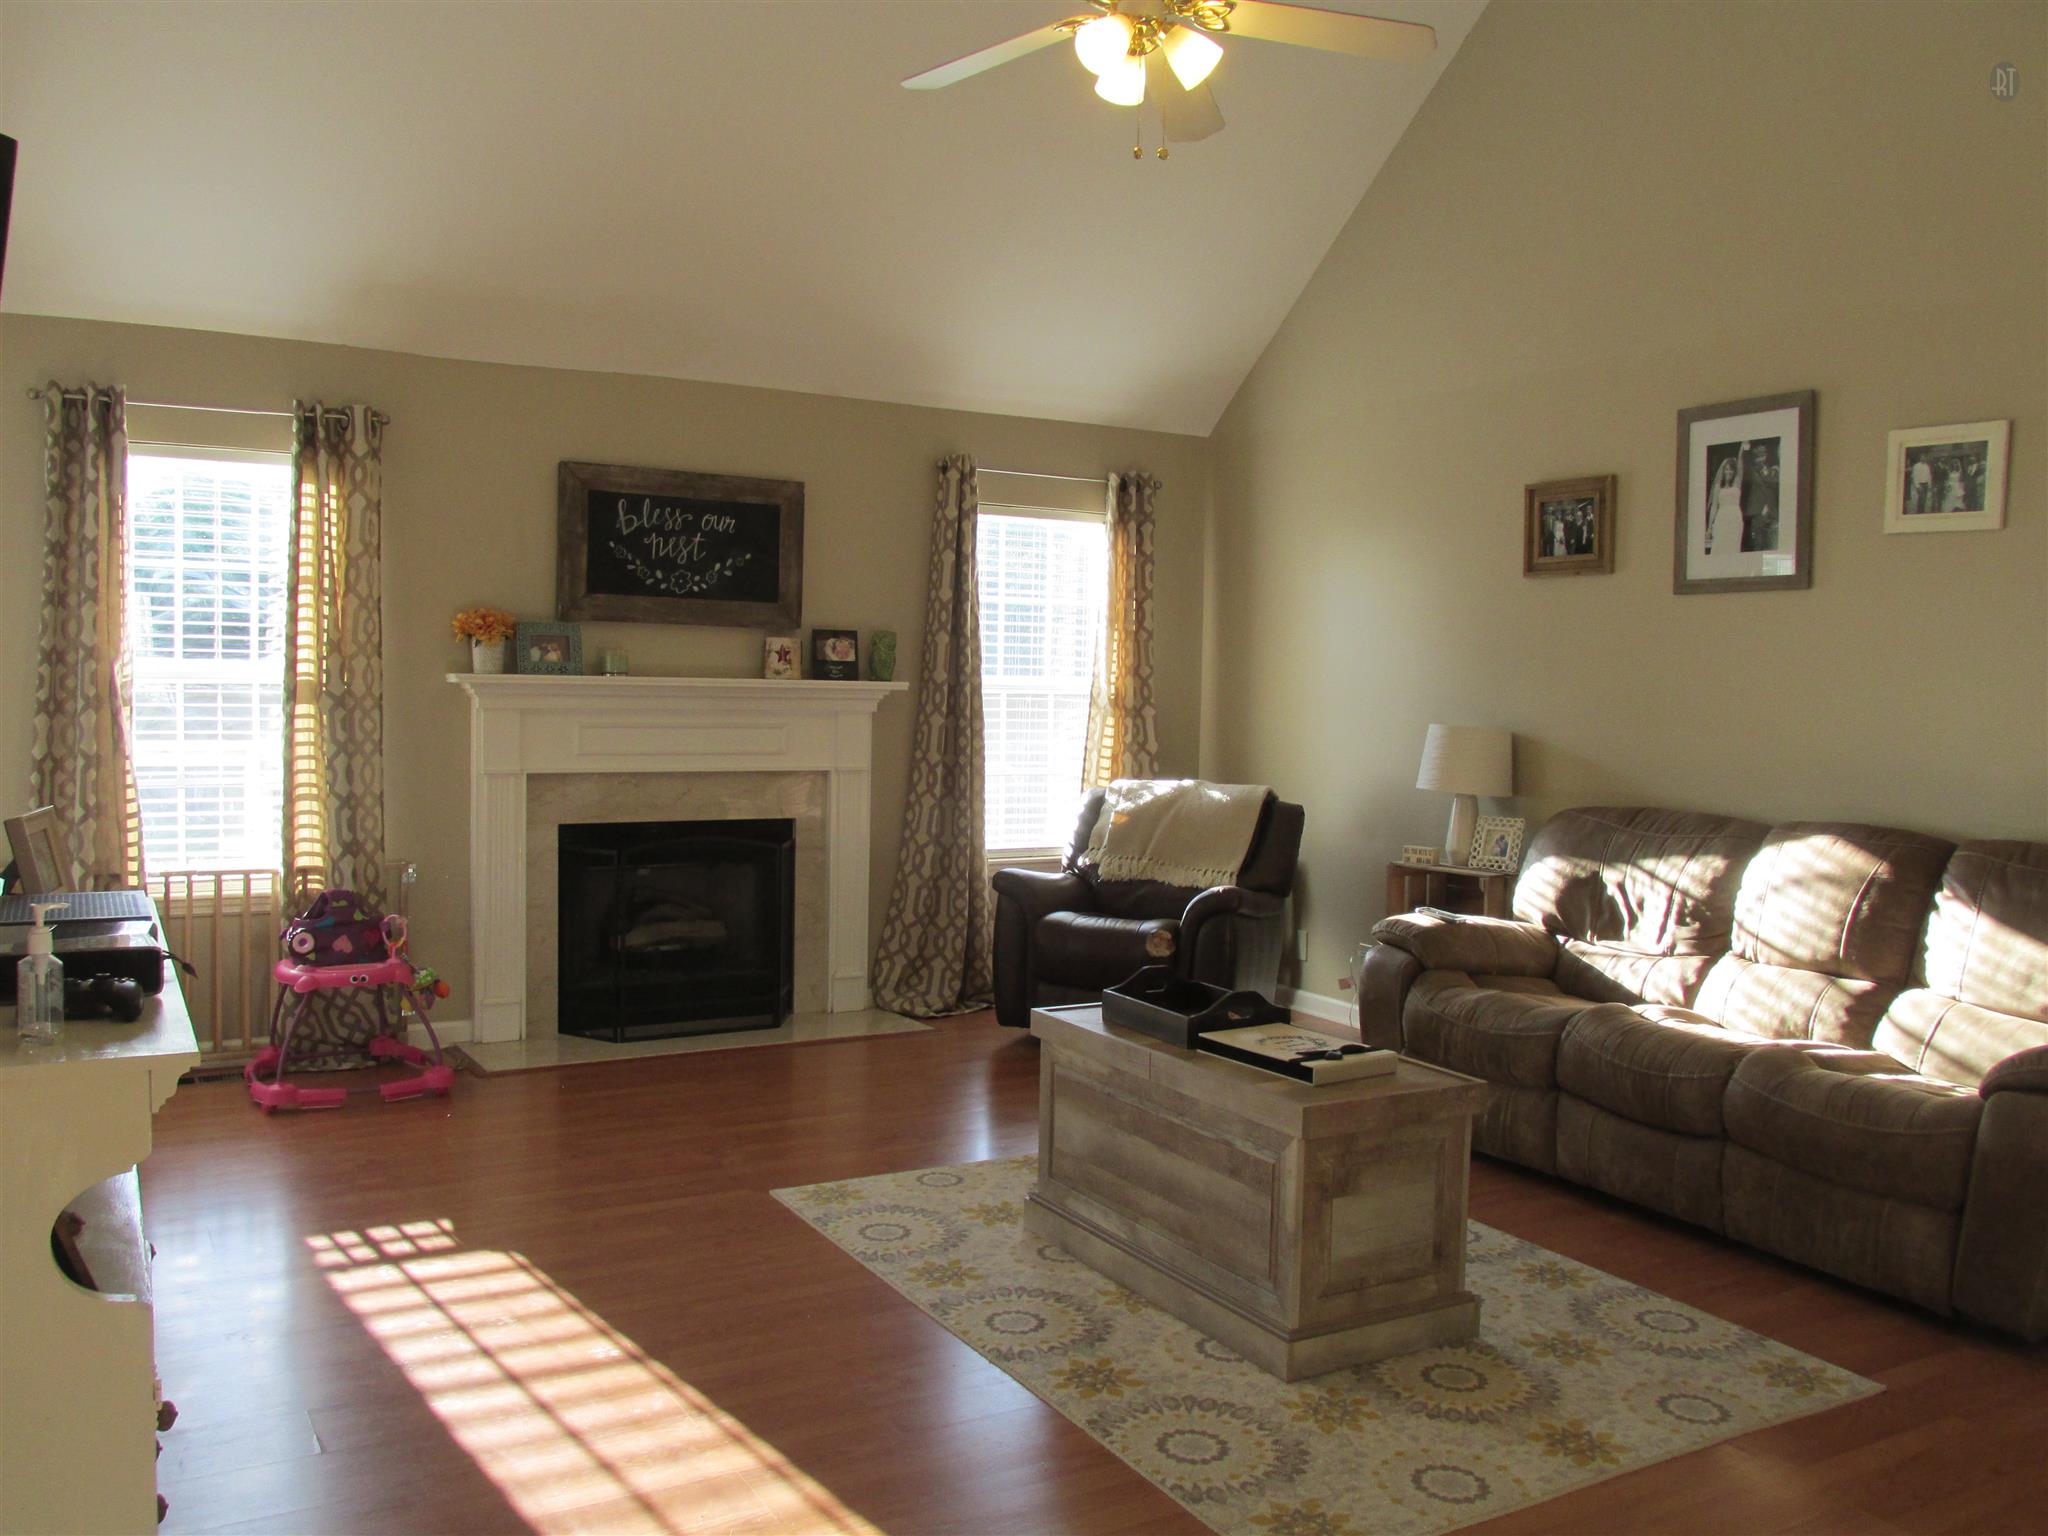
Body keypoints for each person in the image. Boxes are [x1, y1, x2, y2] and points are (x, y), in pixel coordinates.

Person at [1705, 454, 1742, 556]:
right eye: (1726, 469)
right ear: (1723, 471)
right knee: (1720, 546)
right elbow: (1714, 507)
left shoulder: (1737, 484)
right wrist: (1709, 528)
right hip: (1722, 518)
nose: (1728, 472)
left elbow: (1741, 463)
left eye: (1731, 470)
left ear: (1734, 471)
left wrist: (1742, 448)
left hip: (1735, 518)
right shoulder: (1718, 487)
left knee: (1733, 546)